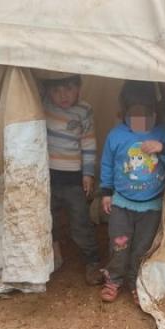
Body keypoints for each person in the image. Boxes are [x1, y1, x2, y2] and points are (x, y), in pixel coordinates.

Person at [99, 81, 165, 303]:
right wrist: (106, 192)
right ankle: (114, 279)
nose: (140, 120)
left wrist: (162, 148)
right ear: (124, 113)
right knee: (119, 243)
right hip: (122, 202)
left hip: (151, 205)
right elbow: (107, 164)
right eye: (134, 115)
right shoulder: (116, 135)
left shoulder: (164, 134)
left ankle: (136, 282)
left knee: (142, 247)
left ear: (155, 112)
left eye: (146, 114)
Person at [43, 75, 102, 284]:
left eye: (68, 89)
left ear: (79, 87)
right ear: (48, 91)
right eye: (56, 90)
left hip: (73, 178)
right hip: (47, 176)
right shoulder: (43, 105)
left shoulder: (84, 110)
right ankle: (53, 254)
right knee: (47, 218)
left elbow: (88, 143)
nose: (63, 95)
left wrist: (88, 174)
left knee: (80, 222)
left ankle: (92, 260)